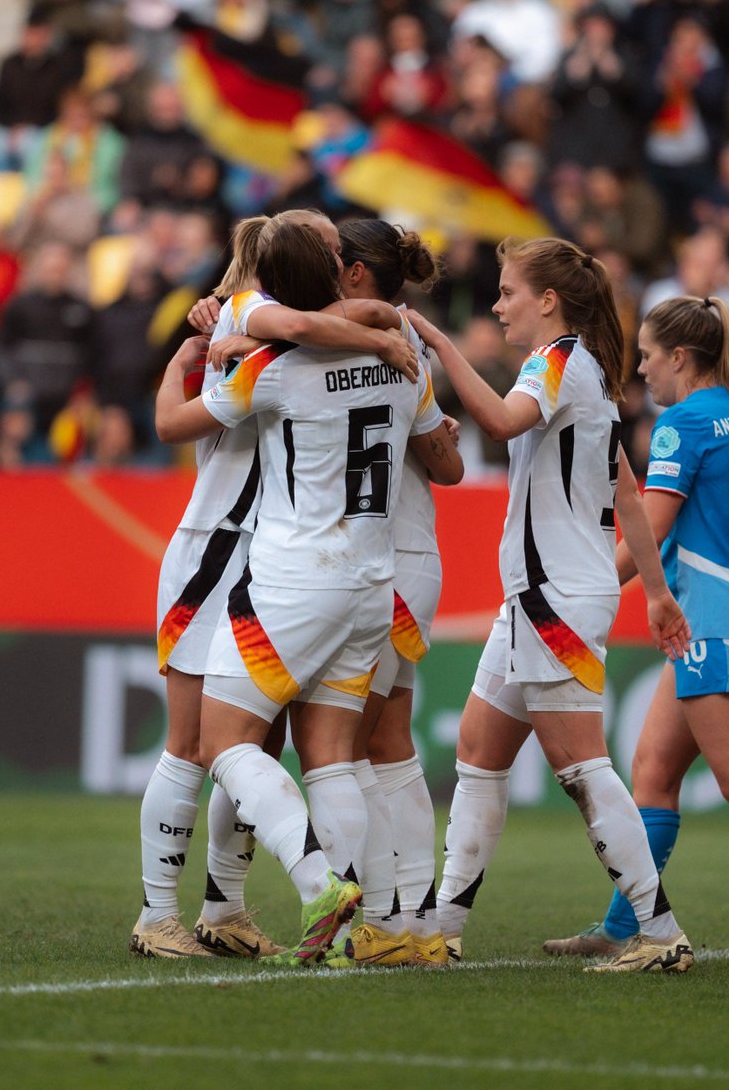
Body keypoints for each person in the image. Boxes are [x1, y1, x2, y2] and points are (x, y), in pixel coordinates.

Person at [155, 220, 445, 965]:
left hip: (294, 579)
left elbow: (171, 424)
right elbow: (437, 449)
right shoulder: (405, 362)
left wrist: (195, 357)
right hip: (371, 584)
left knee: (222, 743)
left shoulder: (272, 365)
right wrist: (384, 327)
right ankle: (348, 938)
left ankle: (319, 884)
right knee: (332, 758)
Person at [404, 236, 696, 974]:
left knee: (580, 765)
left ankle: (661, 934)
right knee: (478, 749)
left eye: (506, 292)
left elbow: (501, 423)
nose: (498, 305)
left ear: (547, 300)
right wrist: (655, 594)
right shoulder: (588, 372)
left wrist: (437, 343)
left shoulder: (558, 363)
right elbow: (626, 489)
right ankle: (442, 928)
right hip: (539, 597)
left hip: (553, 598)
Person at [543, 296, 729, 971]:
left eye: (646, 354)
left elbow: (651, 526)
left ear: (680, 357)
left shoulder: (682, 425)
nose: (641, 368)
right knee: (653, 772)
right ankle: (625, 924)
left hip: (712, 624)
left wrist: (583, 594)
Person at [333, 218, 464, 967]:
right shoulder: (398, 342)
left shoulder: (366, 341)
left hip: (389, 561)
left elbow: (441, 466)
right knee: (387, 743)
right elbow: (444, 465)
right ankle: (419, 923)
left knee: (345, 744)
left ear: (356, 275)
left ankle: (388, 919)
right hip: (411, 556)